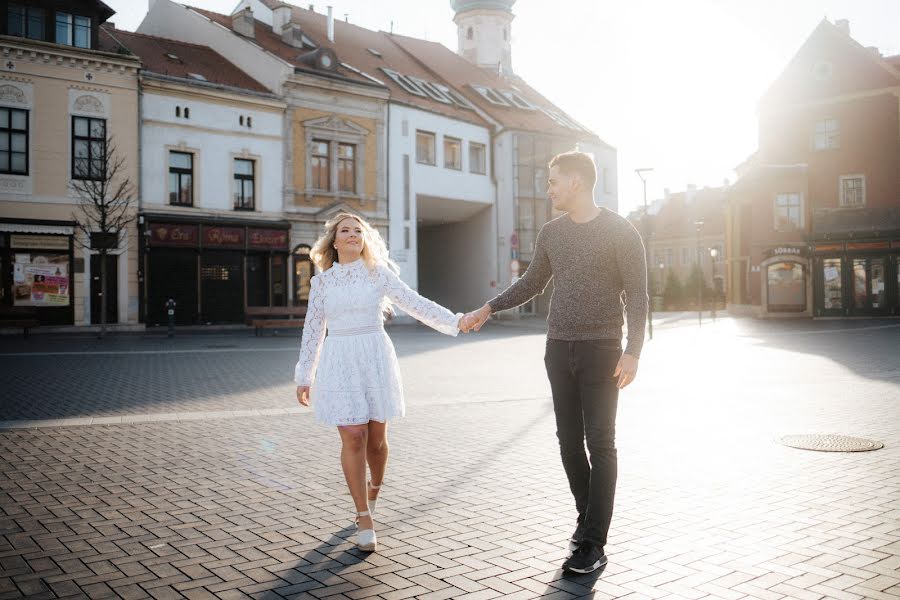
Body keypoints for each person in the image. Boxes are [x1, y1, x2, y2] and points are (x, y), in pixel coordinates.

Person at [464, 151, 648, 574]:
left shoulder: (621, 232)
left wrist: (633, 350)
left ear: (577, 183)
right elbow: (532, 282)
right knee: (568, 444)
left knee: (600, 443)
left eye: (553, 182)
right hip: (557, 348)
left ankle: (593, 543)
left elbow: (637, 295)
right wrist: (489, 308)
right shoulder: (551, 233)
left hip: (603, 349)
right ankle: (587, 522)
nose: (548, 190)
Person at [294, 212, 467, 552]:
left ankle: (374, 489)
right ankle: (363, 515)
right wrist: (305, 375)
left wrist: (456, 321)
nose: (352, 235)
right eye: (345, 230)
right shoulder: (322, 284)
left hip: (374, 357)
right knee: (354, 436)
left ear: (365, 239)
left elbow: (414, 303)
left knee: (376, 443)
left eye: (358, 230)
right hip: (340, 359)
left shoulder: (378, 274)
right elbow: (313, 330)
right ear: (334, 241)